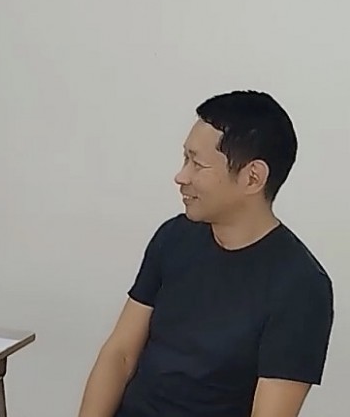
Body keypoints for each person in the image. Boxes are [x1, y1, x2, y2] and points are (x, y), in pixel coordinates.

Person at [78, 91, 334, 417]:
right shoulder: (174, 236)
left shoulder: (301, 286)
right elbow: (120, 354)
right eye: (185, 158)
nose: (181, 177)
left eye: (197, 164)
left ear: (252, 177)